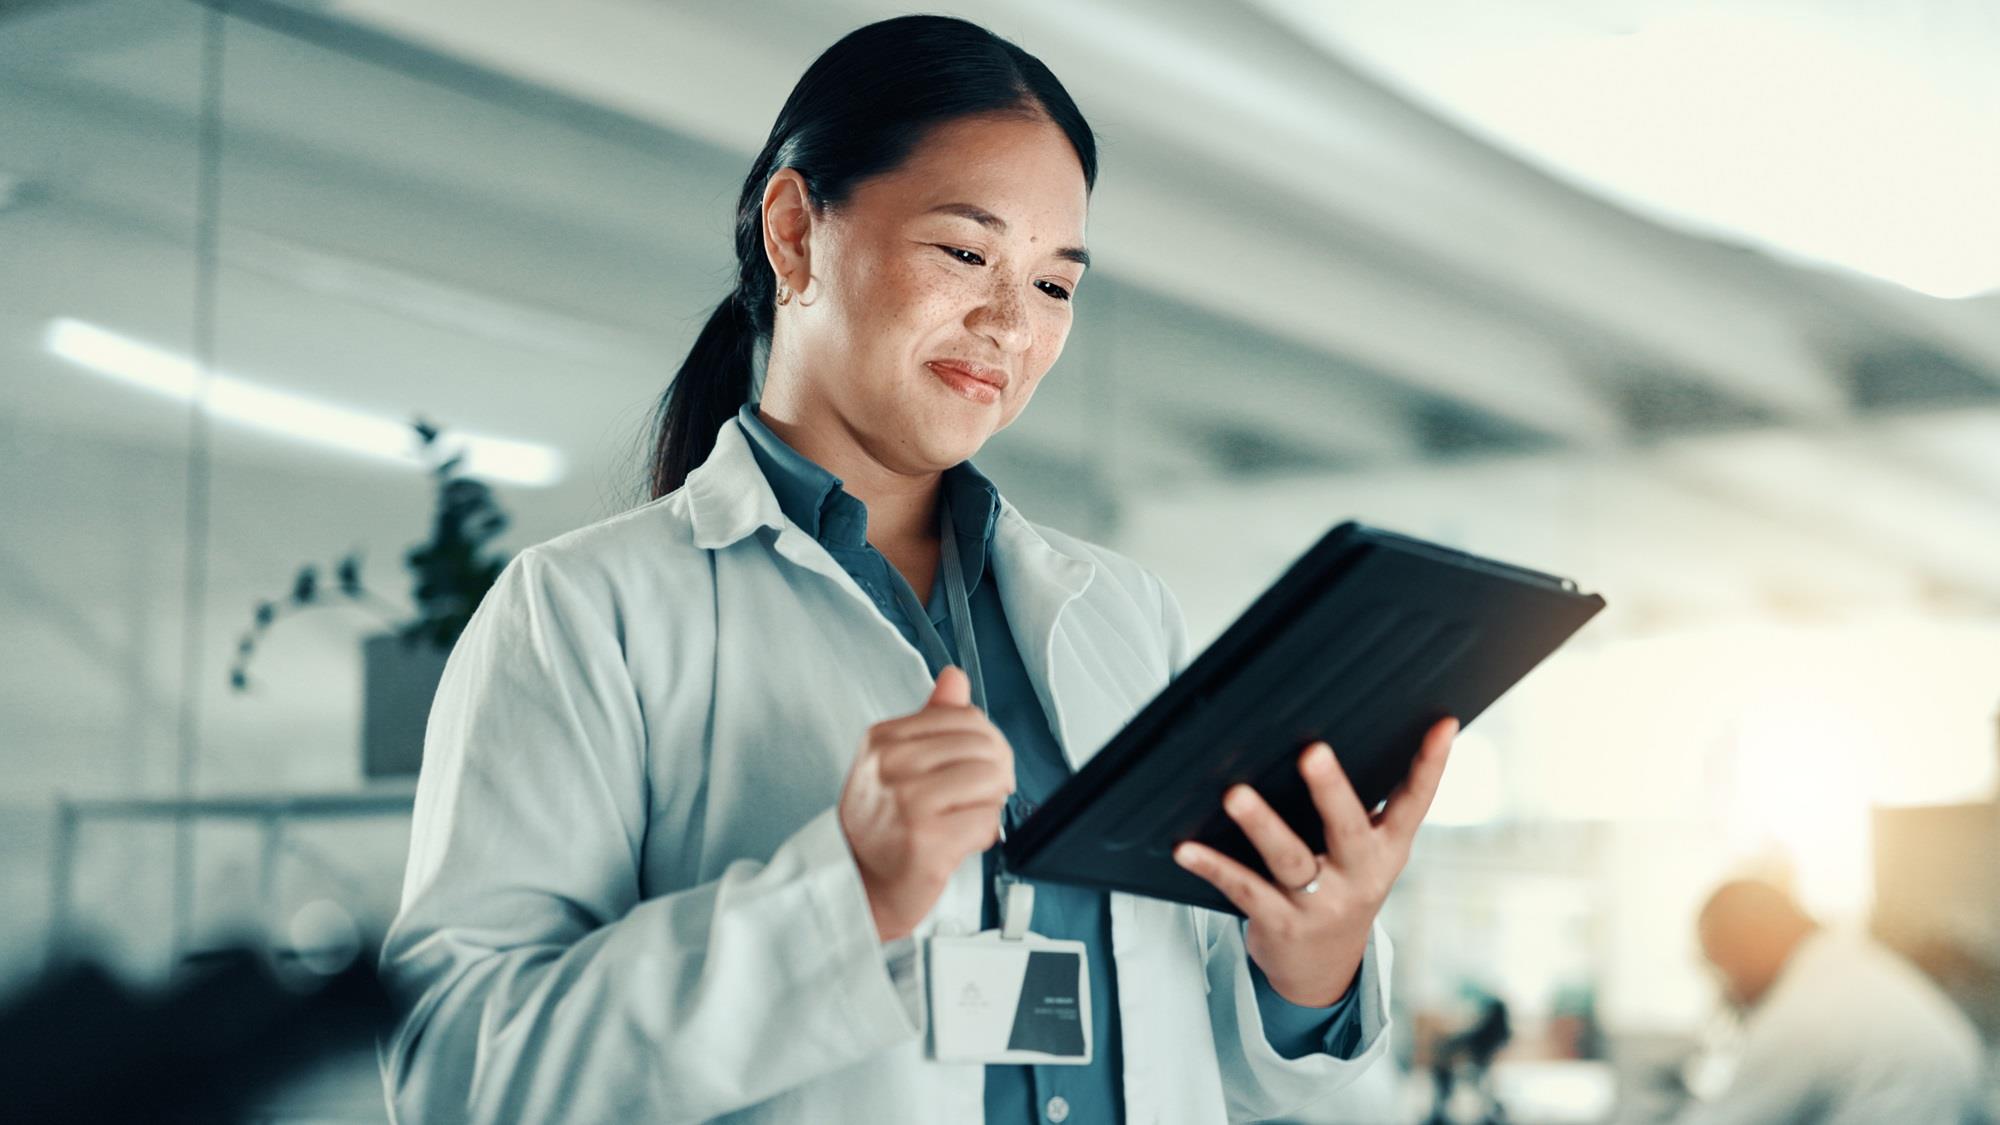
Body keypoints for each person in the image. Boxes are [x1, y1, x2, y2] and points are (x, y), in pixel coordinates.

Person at [376, 14, 1457, 1123]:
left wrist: (1307, 966)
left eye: (1053, 286)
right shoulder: (581, 614)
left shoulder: (1123, 616)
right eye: (964, 251)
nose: (1006, 323)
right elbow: (455, 1077)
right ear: (795, 232)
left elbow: (1210, 1061)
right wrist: (843, 900)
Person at [1676, 878, 1988, 1125]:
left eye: (1722, 964)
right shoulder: (1853, 971)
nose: (1727, 988)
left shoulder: (1803, 1010)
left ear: (1751, 941)